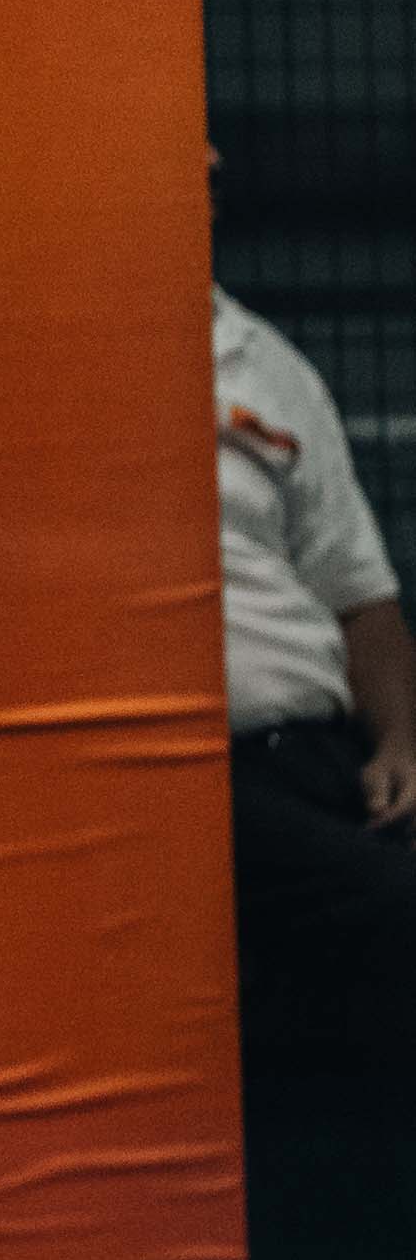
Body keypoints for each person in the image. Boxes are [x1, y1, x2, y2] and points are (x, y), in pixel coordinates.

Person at [214, 242, 416, 1071]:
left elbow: (357, 592)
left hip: (319, 751)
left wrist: (400, 742)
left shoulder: (260, 359)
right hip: (194, 766)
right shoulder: (52, 347)